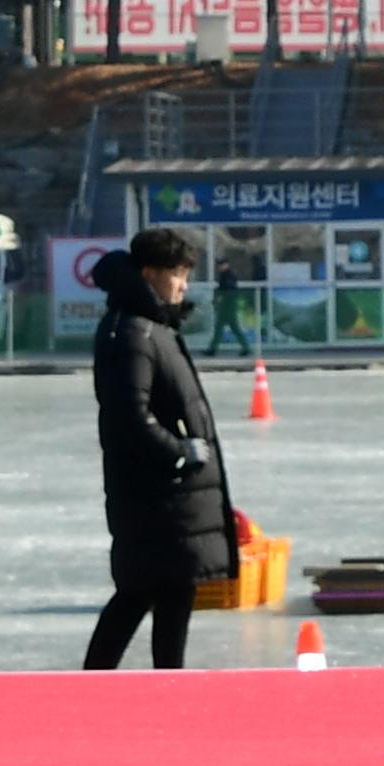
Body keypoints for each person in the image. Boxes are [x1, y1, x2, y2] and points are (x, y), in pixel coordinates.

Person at [83, 230, 235, 670]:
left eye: (187, 274)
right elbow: (129, 415)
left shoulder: (153, 327)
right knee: (139, 592)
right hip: (154, 494)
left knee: (171, 590)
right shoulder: (133, 332)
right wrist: (180, 452)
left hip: (172, 497)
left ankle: (169, 682)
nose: (183, 284)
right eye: (177, 274)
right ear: (149, 274)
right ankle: (94, 683)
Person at [206, 256, 256, 358]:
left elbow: (226, 290)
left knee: (223, 327)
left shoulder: (227, 275)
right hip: (228, 306)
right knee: (228, 328)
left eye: (221, 265)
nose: (219, 267)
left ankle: (213, 349)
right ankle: (245, 348)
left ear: (226, 265)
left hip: (227, 306)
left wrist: (218, 299)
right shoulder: (227, 275)